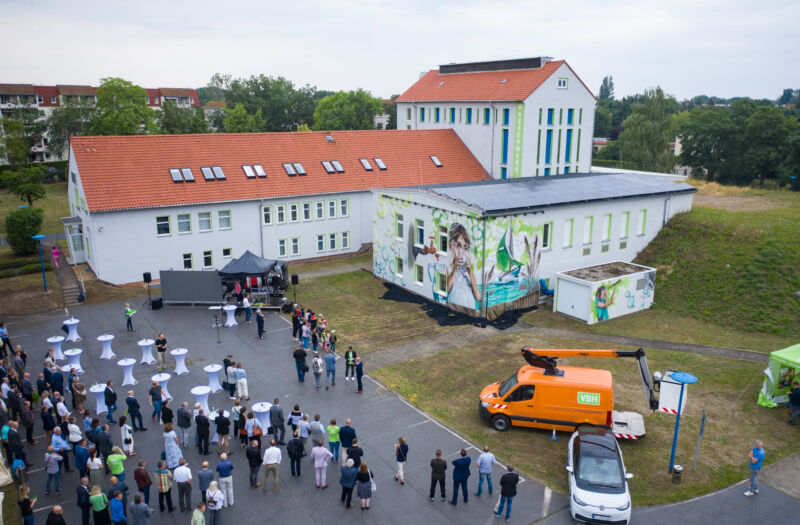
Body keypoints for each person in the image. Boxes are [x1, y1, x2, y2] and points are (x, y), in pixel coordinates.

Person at [447, 223, 482, 308]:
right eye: (458, 245)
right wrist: (455, 269)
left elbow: (478, 297)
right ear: (450, 246)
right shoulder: (448, 268)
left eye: (465, 248)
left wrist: (470, 273)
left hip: (469, 310)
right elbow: (445, 290)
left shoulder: (468, 272)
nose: (461, 251)